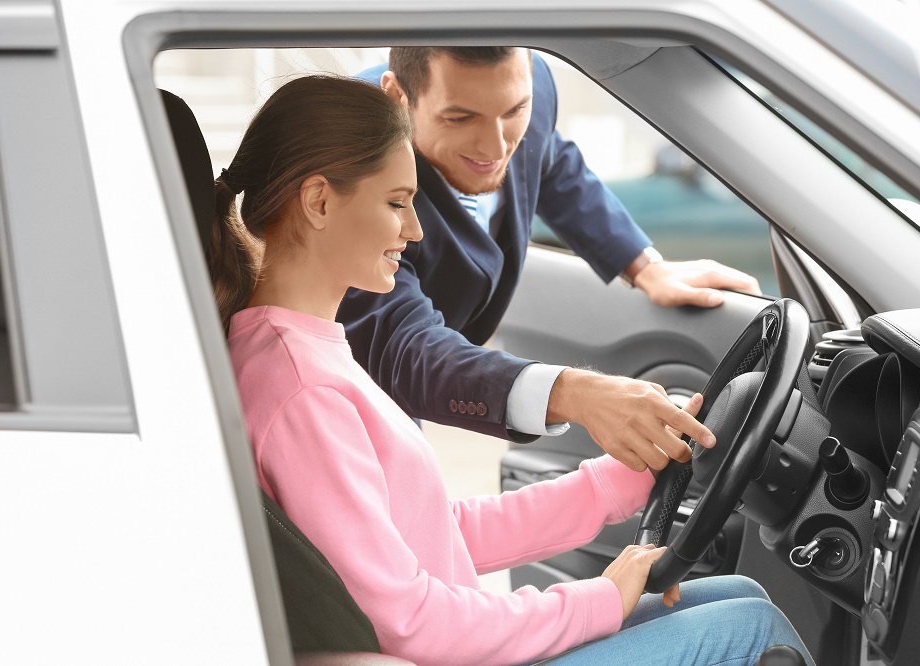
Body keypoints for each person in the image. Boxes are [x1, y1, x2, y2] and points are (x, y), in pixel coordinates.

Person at [212, 73, 812, 665]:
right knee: (754, 629)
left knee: (740, 595)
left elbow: (437, 535)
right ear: (319, 201)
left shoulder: (301, 353)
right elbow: (408, 621)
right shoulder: (303, 388)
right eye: (396, 203)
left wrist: (619, 482)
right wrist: (596, 600)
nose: (415, 229)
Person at [339, 46, 761, 474]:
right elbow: (402, 348)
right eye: (460, 118)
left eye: (514, 111)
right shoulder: (348, 164)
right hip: (355, 394)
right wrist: (574, 393)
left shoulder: (531, 80)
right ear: (398, 96)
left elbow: (550, 160)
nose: (496, 146)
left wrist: (643, 265)